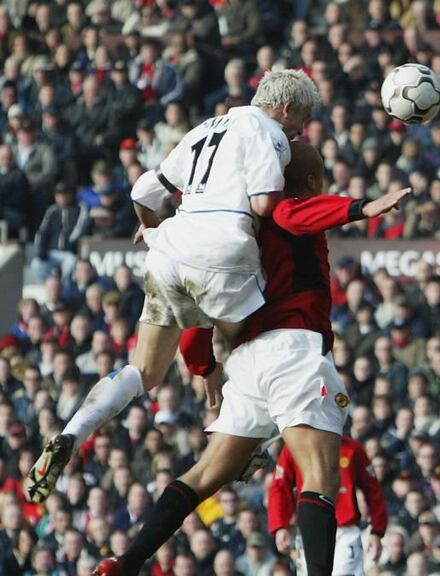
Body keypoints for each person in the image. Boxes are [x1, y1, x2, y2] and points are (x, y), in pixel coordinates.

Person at [92, 141, 409, 576]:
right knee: (321, 475)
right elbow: (296, 214)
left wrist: (204, 366)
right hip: (292, 351)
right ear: (313, 184)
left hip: (248, 363)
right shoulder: (284, 211)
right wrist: (363, 208)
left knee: (204, 474)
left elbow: (197, 321)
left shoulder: (231, 232)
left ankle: (125, 561)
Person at [26, 69, 322, 504]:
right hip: (225, 252)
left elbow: (144, 191)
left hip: (171, 250)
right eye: (301, 120)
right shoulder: (270, 133)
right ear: (287, 108)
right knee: (264, 349)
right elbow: (263, 203)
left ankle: (72, 431)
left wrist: (151, 229)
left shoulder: (206, 127)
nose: (300, 132)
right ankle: (247, 447)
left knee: (143, 371)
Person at [269, 437, 389, 576]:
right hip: (309, 531)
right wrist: (280, 526)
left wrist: (377, 530)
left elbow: (372, 488)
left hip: (345, 531)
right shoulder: (294, 447)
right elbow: (280, 487)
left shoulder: (352, 448)